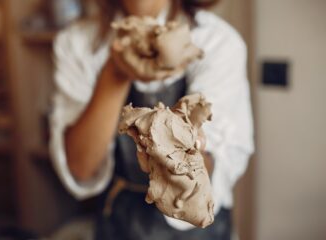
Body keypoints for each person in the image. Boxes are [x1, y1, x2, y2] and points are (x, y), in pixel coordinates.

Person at [50, 0, 254, 239]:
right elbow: (81, 168)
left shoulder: (217, 41)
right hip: (118, 223)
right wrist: (115, 74)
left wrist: (180, 150)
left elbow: (209, 170)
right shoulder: (76, 43)